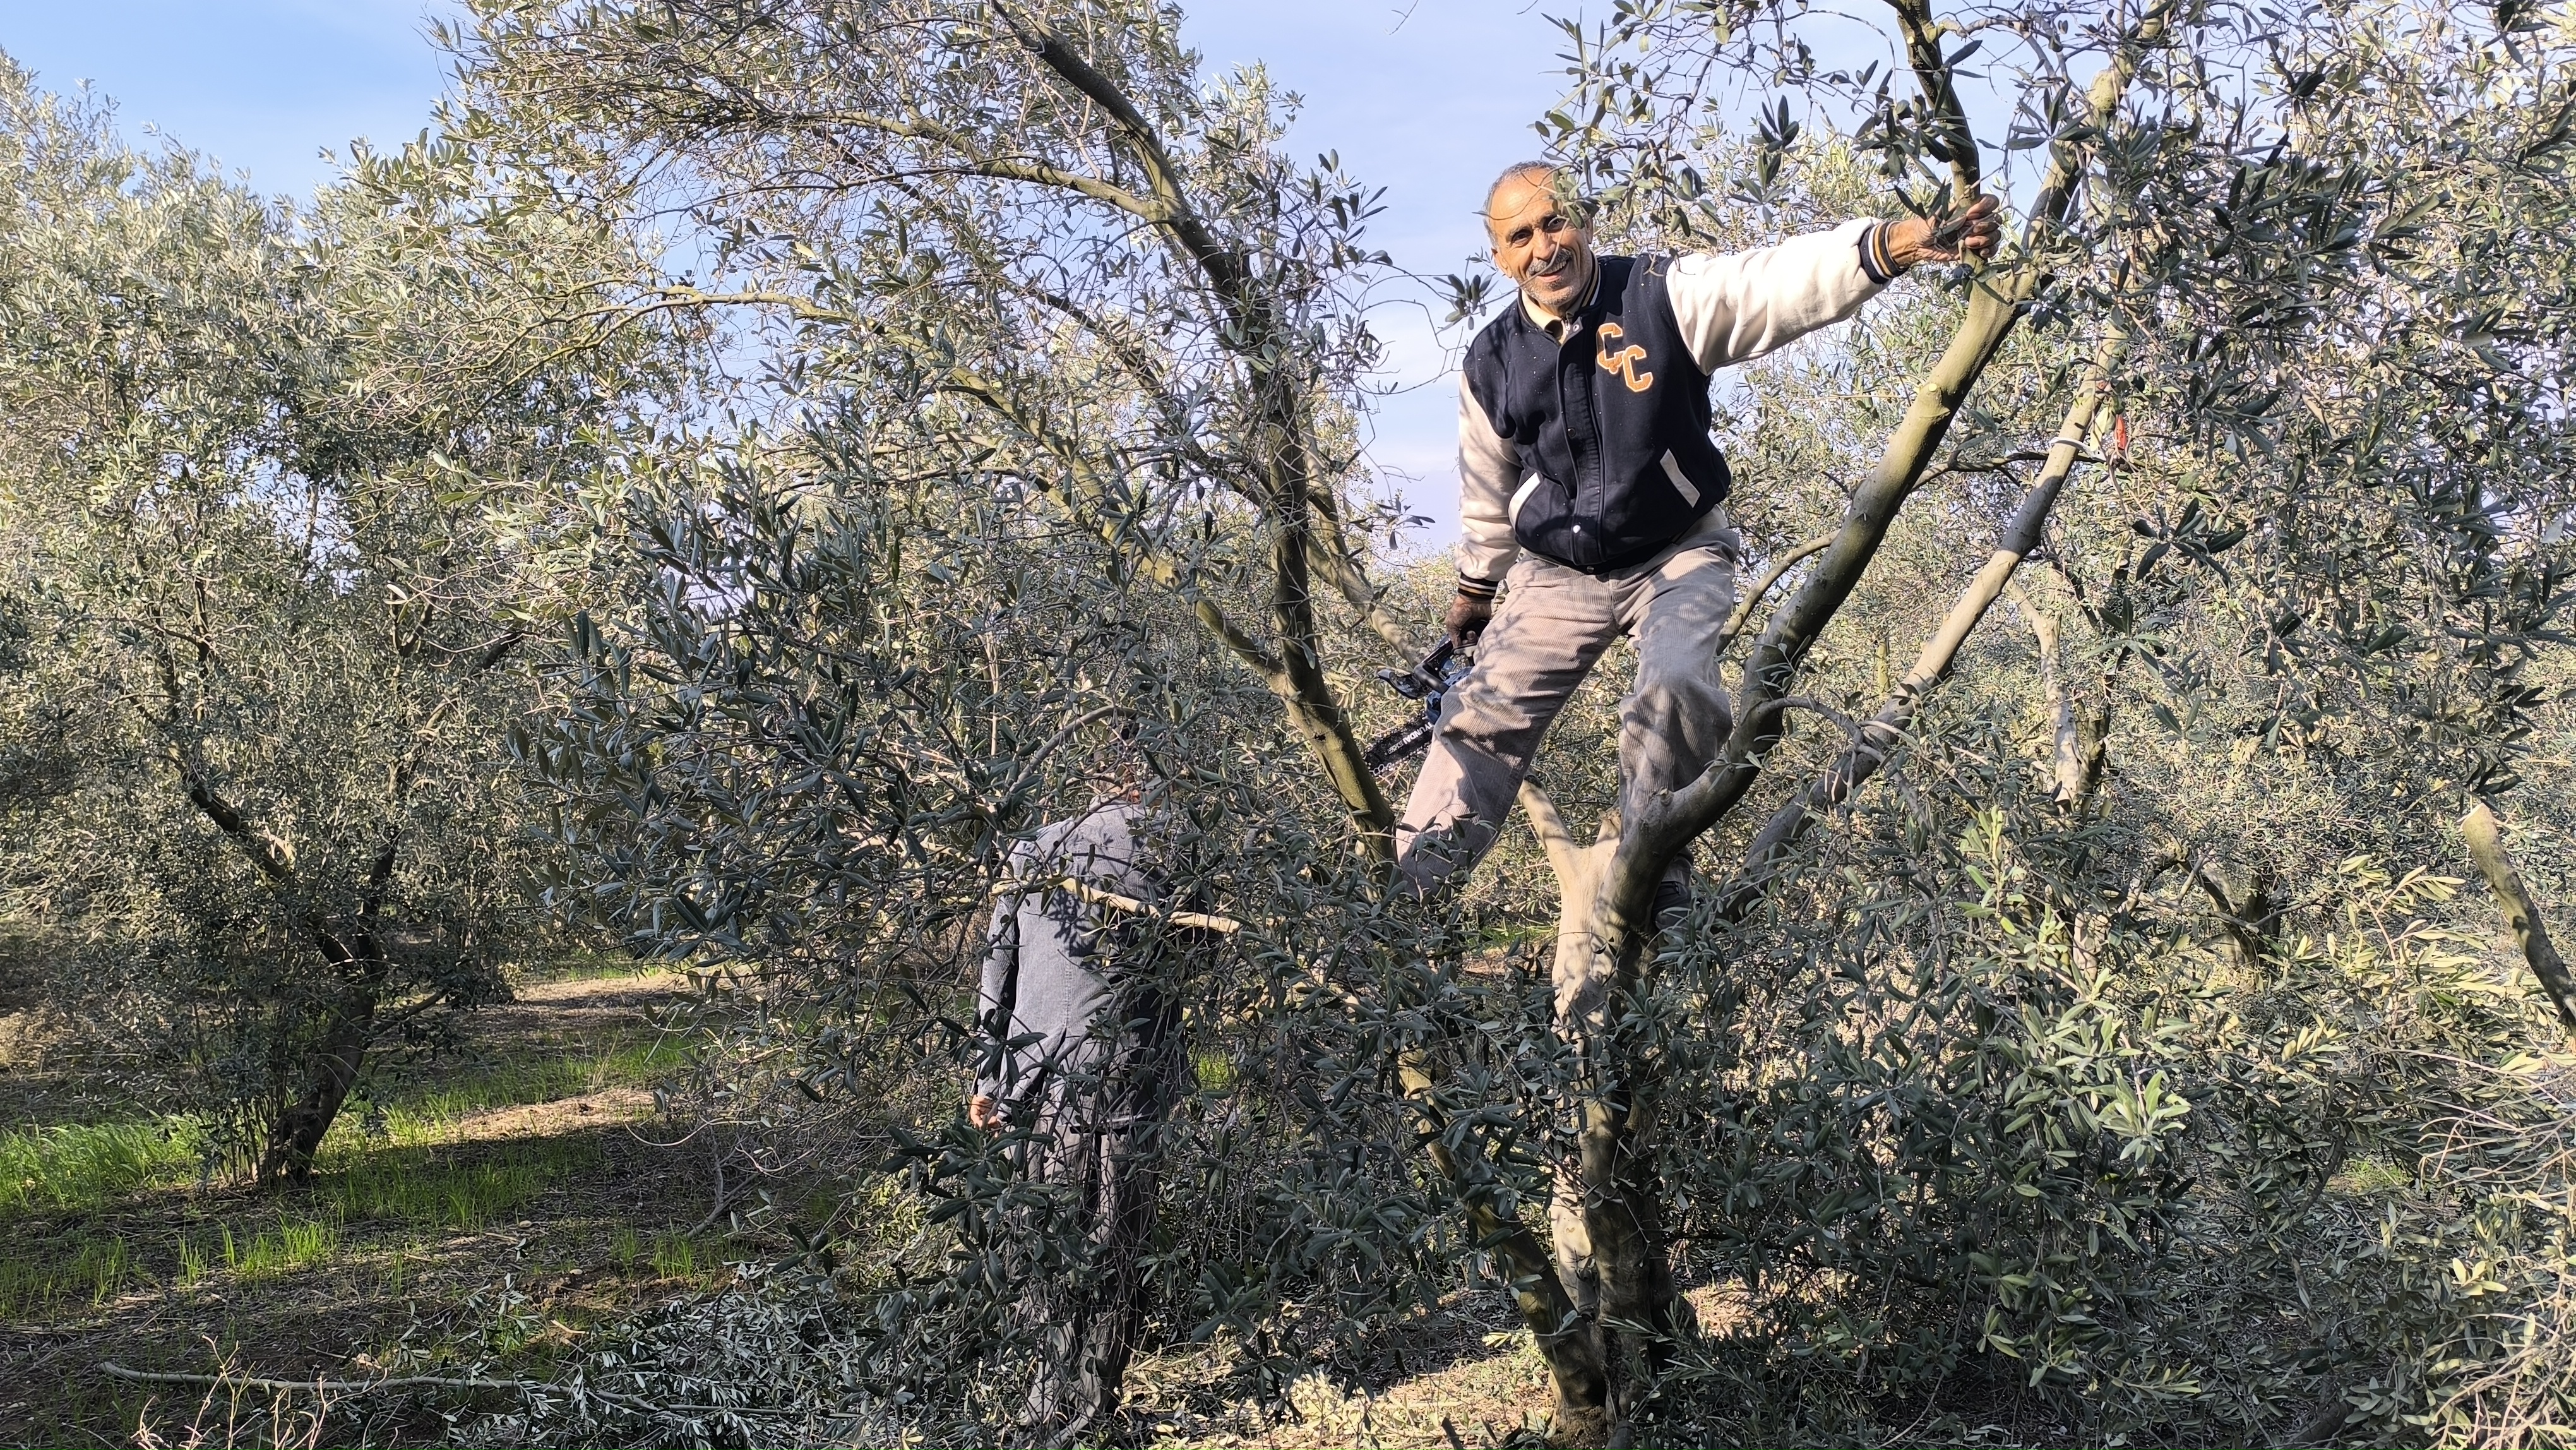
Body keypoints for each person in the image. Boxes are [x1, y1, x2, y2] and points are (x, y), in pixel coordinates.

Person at [1394, 162, 2001, 916]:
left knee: (1680, 684)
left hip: (1676, 551)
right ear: (1499, 256)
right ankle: (1412, 901)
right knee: (1480, 718)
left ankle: (1652, 865)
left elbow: (1773, 284)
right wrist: (1475, 590)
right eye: (1521, 235)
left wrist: (1893, 244)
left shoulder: (1659, 294)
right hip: (1557, 572)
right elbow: (1486, 487)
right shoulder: (1491, 362)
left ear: (1584, 221)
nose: (1544, 246)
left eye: (1556, 222)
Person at [968, 779, 1193, 1446]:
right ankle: (1094, 1405)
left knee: (1042, 1233)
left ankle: (1047, 1398)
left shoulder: (1032, 849)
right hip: (1132, 1078)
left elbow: (995, 968)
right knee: (1117, 1237)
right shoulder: (1175, 850)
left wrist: (989, 1075)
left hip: (1036, 1079)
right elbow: (1199, 955)